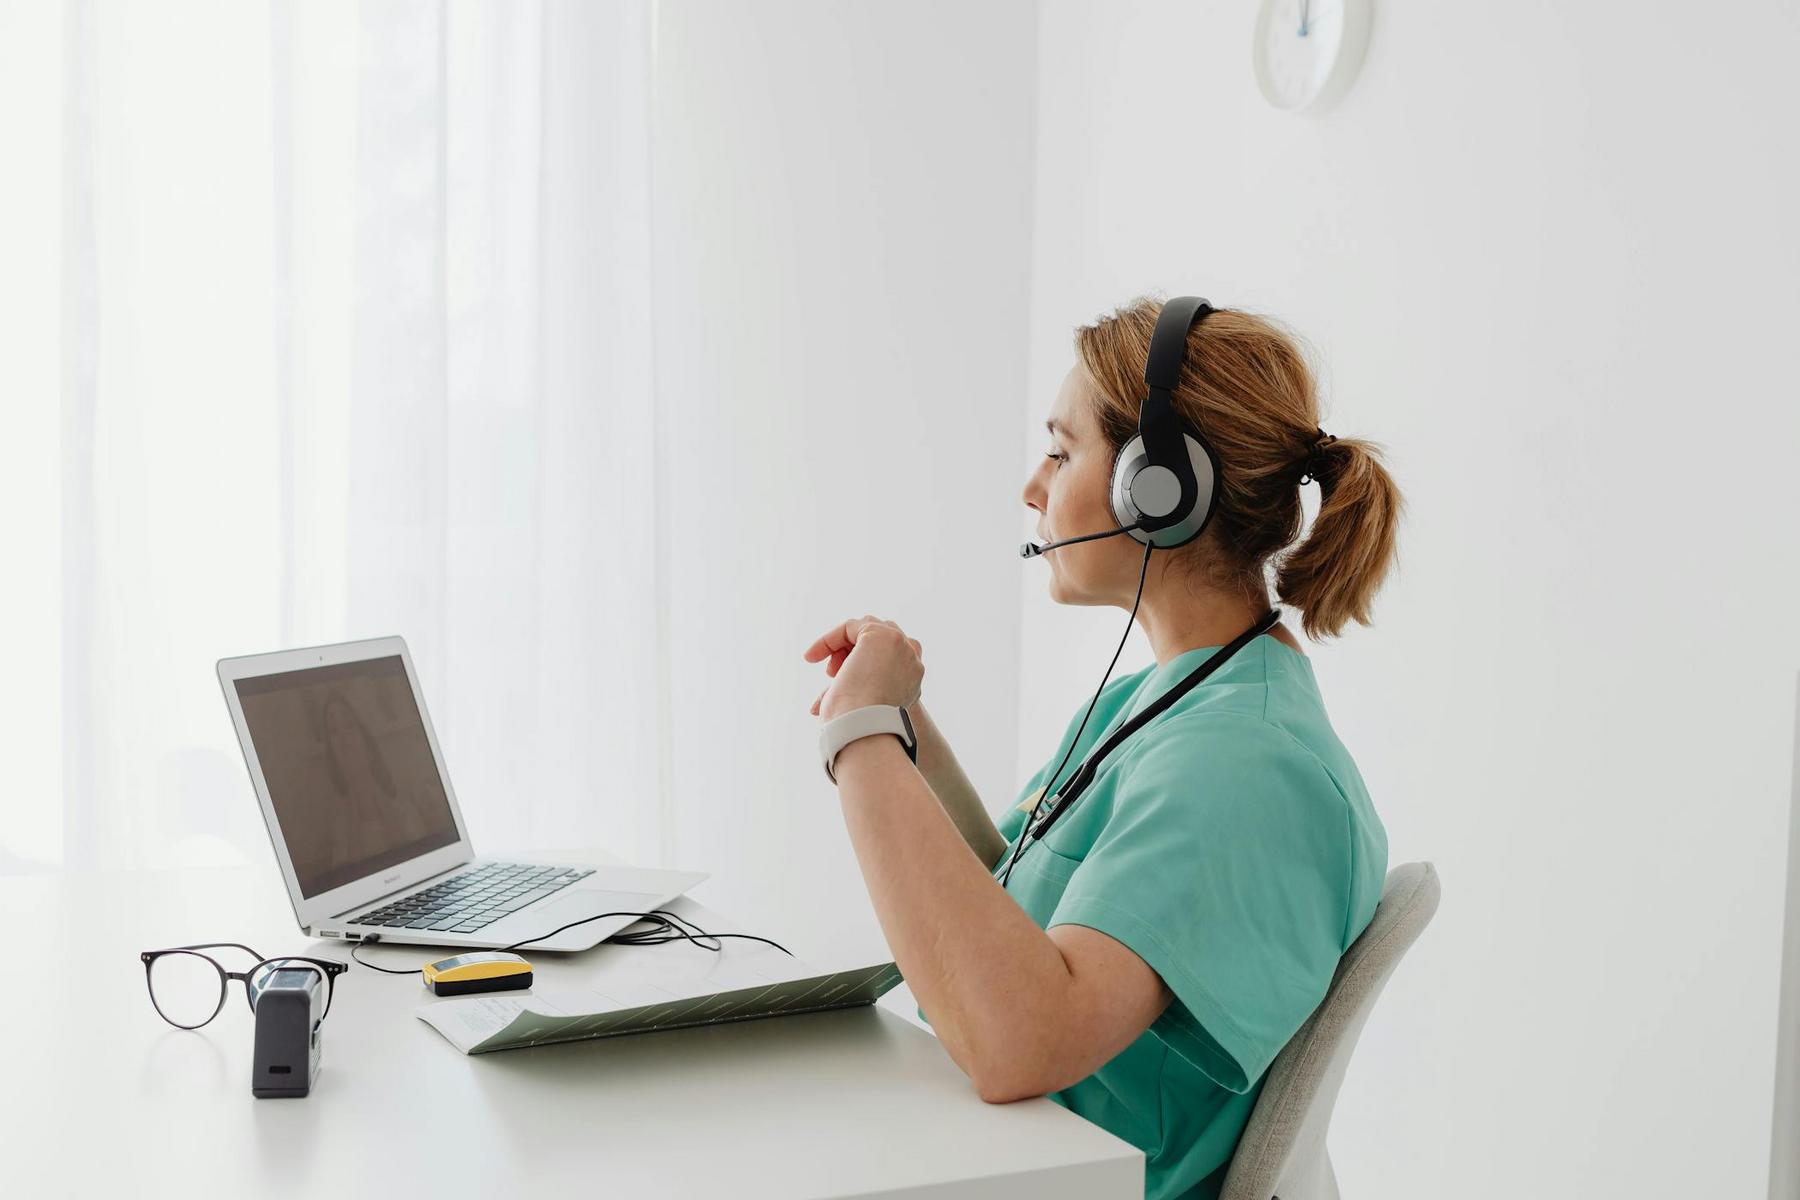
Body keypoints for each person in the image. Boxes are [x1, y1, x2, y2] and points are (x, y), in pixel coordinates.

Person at [802, 296, 1400, 1200]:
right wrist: (905, 726)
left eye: (1060, 448)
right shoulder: (1173, 701)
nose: (1032, 487)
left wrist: (861, 743)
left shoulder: (1243, 766)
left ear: (1159, 488)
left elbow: (1018, 1039)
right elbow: (1016, 909)